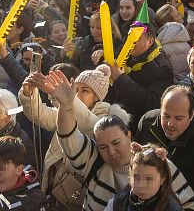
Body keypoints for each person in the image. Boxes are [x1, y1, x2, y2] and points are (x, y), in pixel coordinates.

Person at [49, 70, 194, 211]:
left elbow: (190, 205)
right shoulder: (93, 159)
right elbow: (67, 136)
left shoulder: (155, 161)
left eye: (116, 143)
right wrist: (66, 105)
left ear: (128, 136)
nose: (111, 152)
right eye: (102, 147)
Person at [18, 64, 127, 208]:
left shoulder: (106, 119)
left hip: (78, 195)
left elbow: (89, 123)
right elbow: (40, 115)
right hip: (55, 182)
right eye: (76, 89)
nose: (77, 94)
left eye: (85, 90)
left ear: (97, 98)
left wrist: (67, 101)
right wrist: (29, 94)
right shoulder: (67, 109)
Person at [104, 22, 175, 123]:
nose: (130, 41)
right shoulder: (124, 55)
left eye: (136, 38)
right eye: (129, 37)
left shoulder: (162, 69)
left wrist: (120, 79)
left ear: (149, 42)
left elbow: (153, 103)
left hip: (138, 123)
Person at [104, 143, 185, 211]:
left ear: (162, 179)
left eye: (149, 179)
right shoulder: (119, 201)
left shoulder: (171, 207)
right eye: (136, 177)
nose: (141, 185)